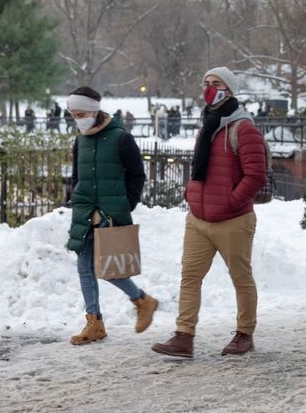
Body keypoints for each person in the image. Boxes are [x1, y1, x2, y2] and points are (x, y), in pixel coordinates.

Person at [152, 67, 266, 358]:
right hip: (199, 219)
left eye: (216, 83)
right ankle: (184, 336)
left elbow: (256, 176)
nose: (209, 87)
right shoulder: (208, 125)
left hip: (233, 219)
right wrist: (191, 193)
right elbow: (200, 167)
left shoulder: (244, 129)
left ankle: (244, 334)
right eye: (206, 83)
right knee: (189, 276)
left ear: (230, 89)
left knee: (241, 277)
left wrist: (231, 201)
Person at [66, 86, 158, 345]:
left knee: (108, 268)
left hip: (111, 213)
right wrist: (78, 199)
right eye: (73, 114)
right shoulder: (79, 140)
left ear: (94, 111)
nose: (77, 118)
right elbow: (77, 176)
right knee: (84, 267)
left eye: (81, 112)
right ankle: (94, 322)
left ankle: (142, 300)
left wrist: (124, 205)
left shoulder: (121, 138)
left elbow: (137, 175)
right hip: (85, 213)